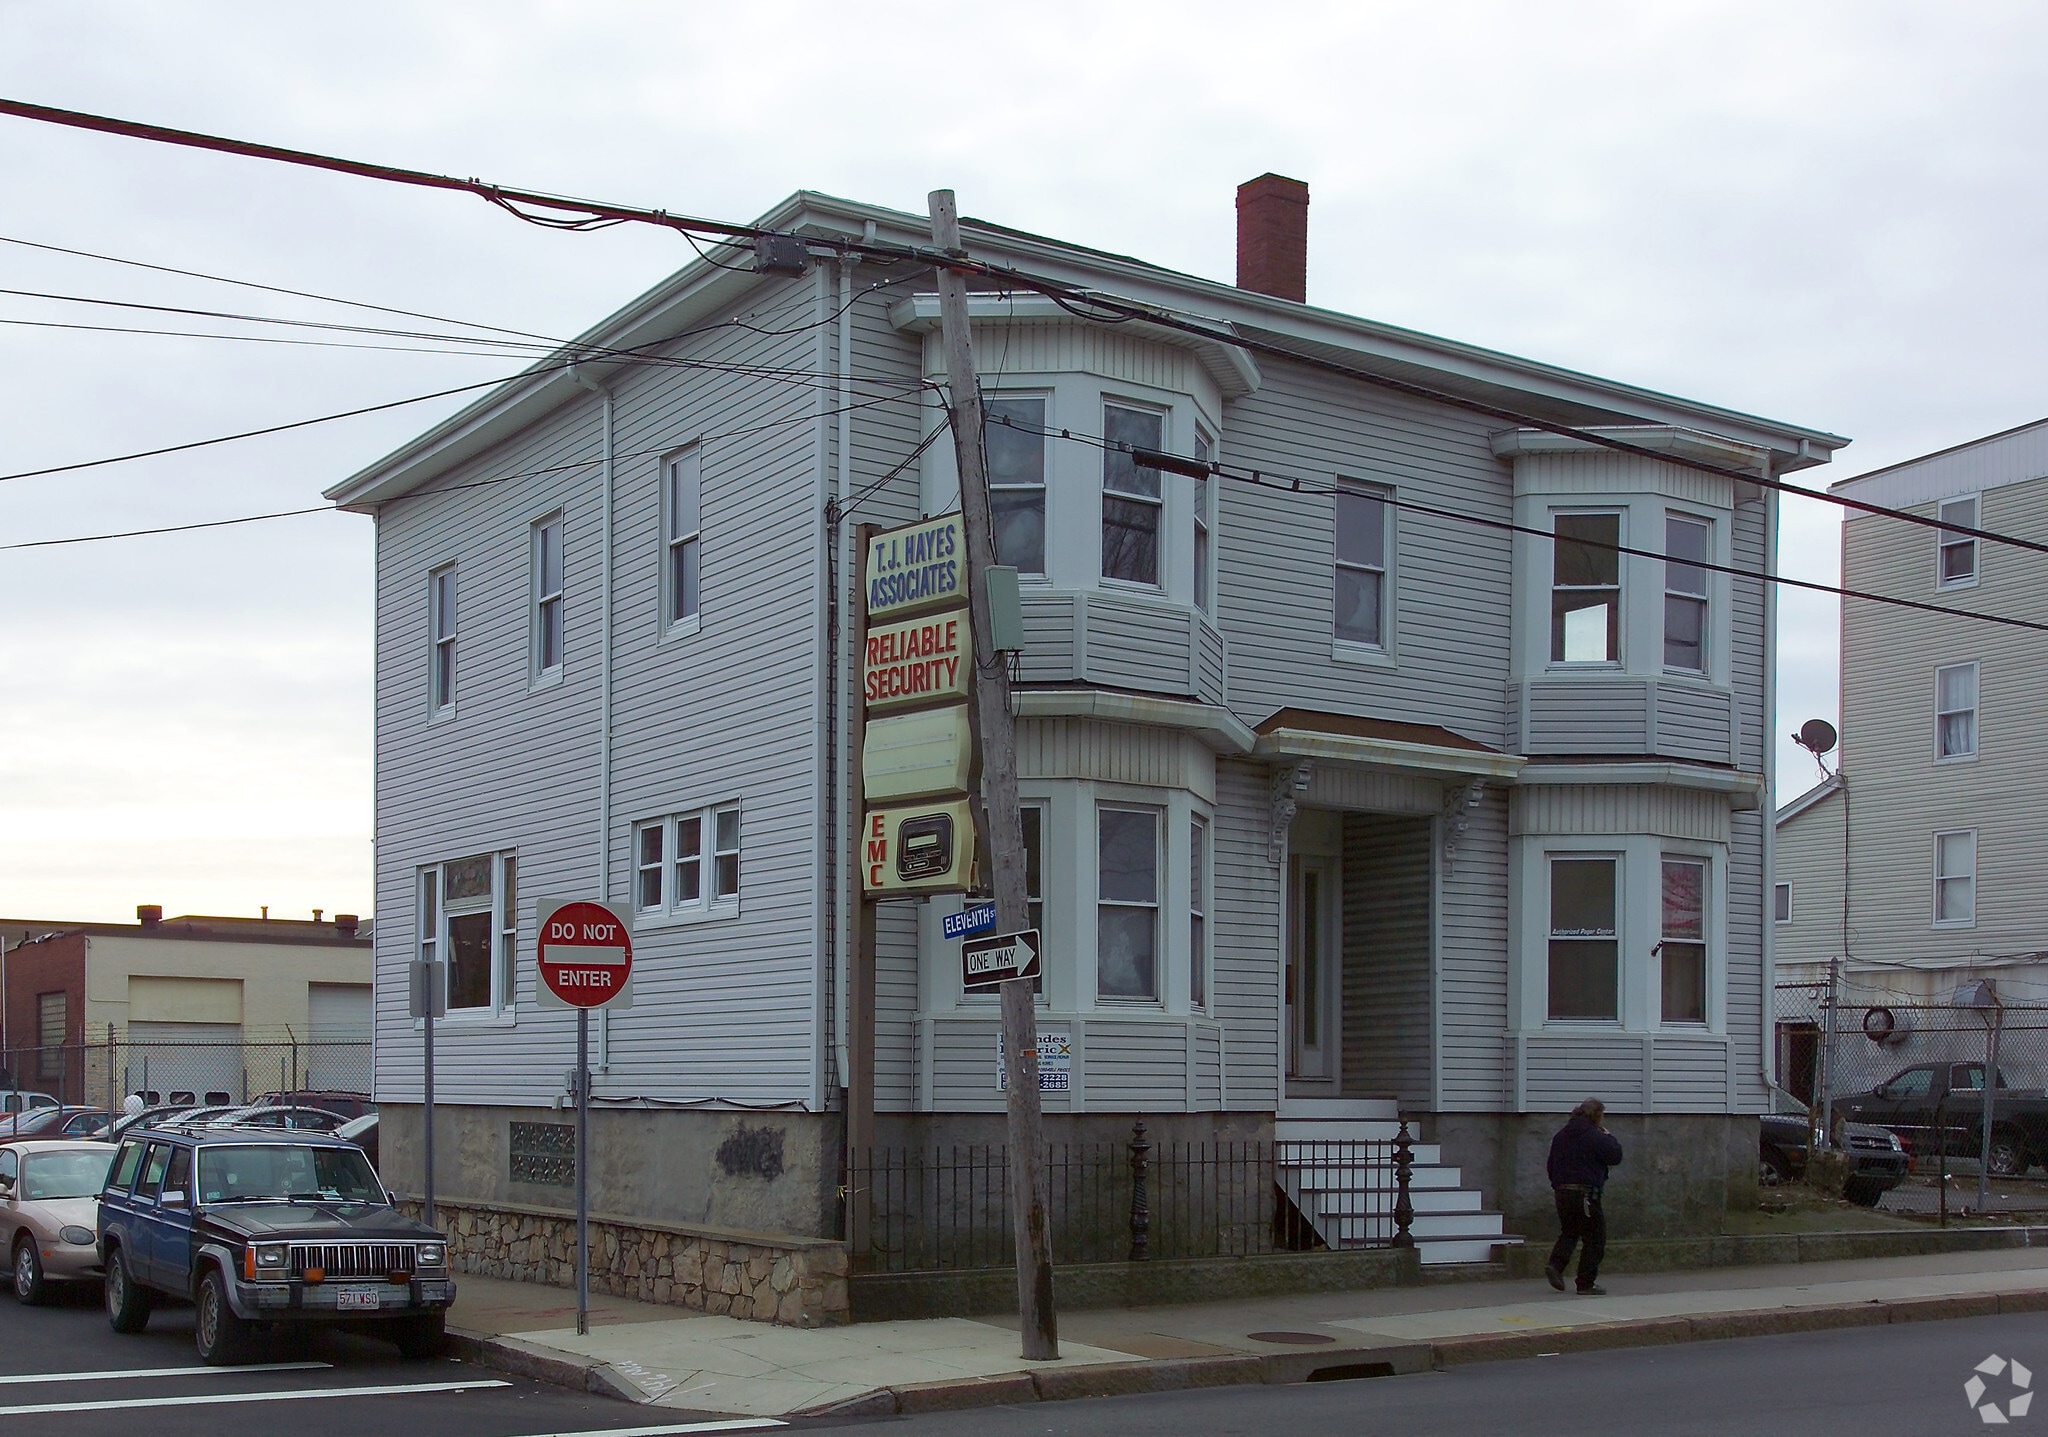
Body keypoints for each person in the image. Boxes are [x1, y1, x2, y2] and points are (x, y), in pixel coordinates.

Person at [1546, 1097, 1623, 1295]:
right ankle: (1585, 1282)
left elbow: (1551, 1164)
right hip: (1586, 1194)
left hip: (1562, 1191)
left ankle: (1555, 1265)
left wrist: (1557, 1185)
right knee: (1595, 1237)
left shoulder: (1560, 1136)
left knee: (1570, 1231)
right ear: (1597, 1116)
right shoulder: (1595, 1136)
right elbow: (1615, 1156)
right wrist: (1609, 1136)